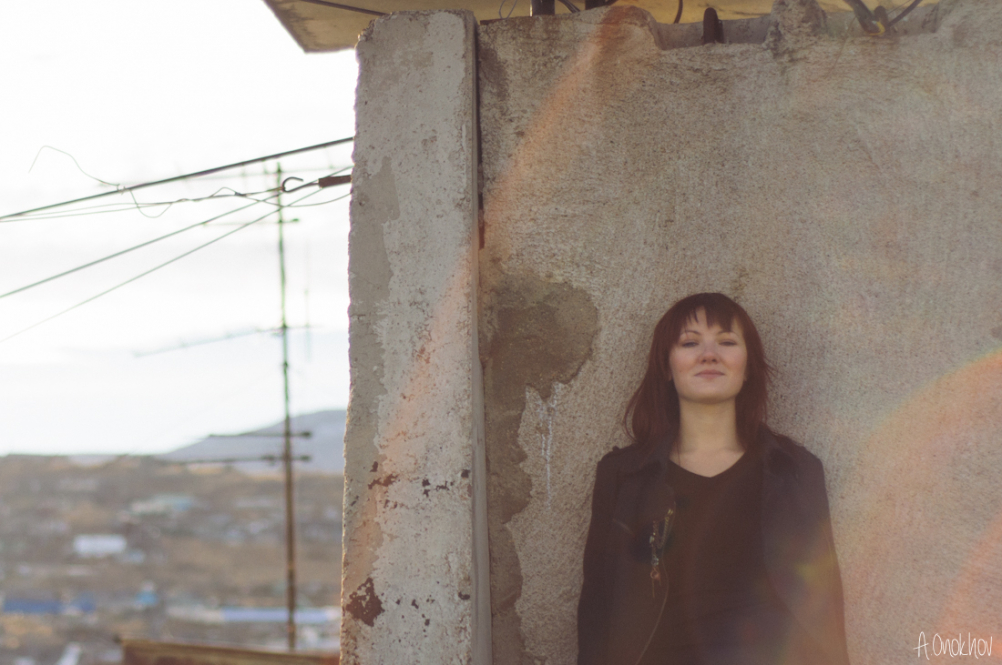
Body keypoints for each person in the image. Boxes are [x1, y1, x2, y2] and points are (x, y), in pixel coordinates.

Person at [577, 293, 849, 665]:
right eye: (690, 343)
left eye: (726, 342)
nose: (709, 355)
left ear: (747, 366)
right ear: (667, 367)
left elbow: (824, 605)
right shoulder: (624, 477)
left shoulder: (795, 471)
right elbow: (597, 610)